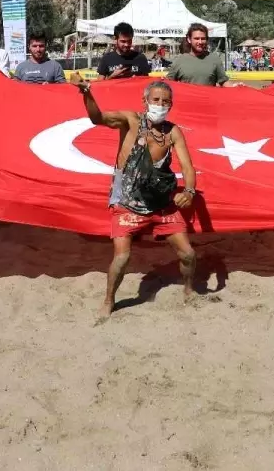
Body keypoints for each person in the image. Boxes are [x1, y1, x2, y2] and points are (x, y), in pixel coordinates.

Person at [71, 76, 198, 321]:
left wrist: (189, 191)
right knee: (122, 257)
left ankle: (189, 290)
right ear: (145, 101)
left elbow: (188, 167)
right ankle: (109, 300)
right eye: (156, 100)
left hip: (160, 202)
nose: (160, 105)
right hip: (127, 201)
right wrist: (86, 92)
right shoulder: (130, 120)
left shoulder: (172, 132)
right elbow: (98, 118)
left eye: (165, 102)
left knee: (188, 254)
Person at [166, 23, 236, 87]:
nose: (200, 42)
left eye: (203, 39)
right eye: (196, 38)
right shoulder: (179, 60)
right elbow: (168, 84)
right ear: (189, 39)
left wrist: (236, 87)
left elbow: (223, 81)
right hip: (187, 100)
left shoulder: (214, 59)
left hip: (209, 100)